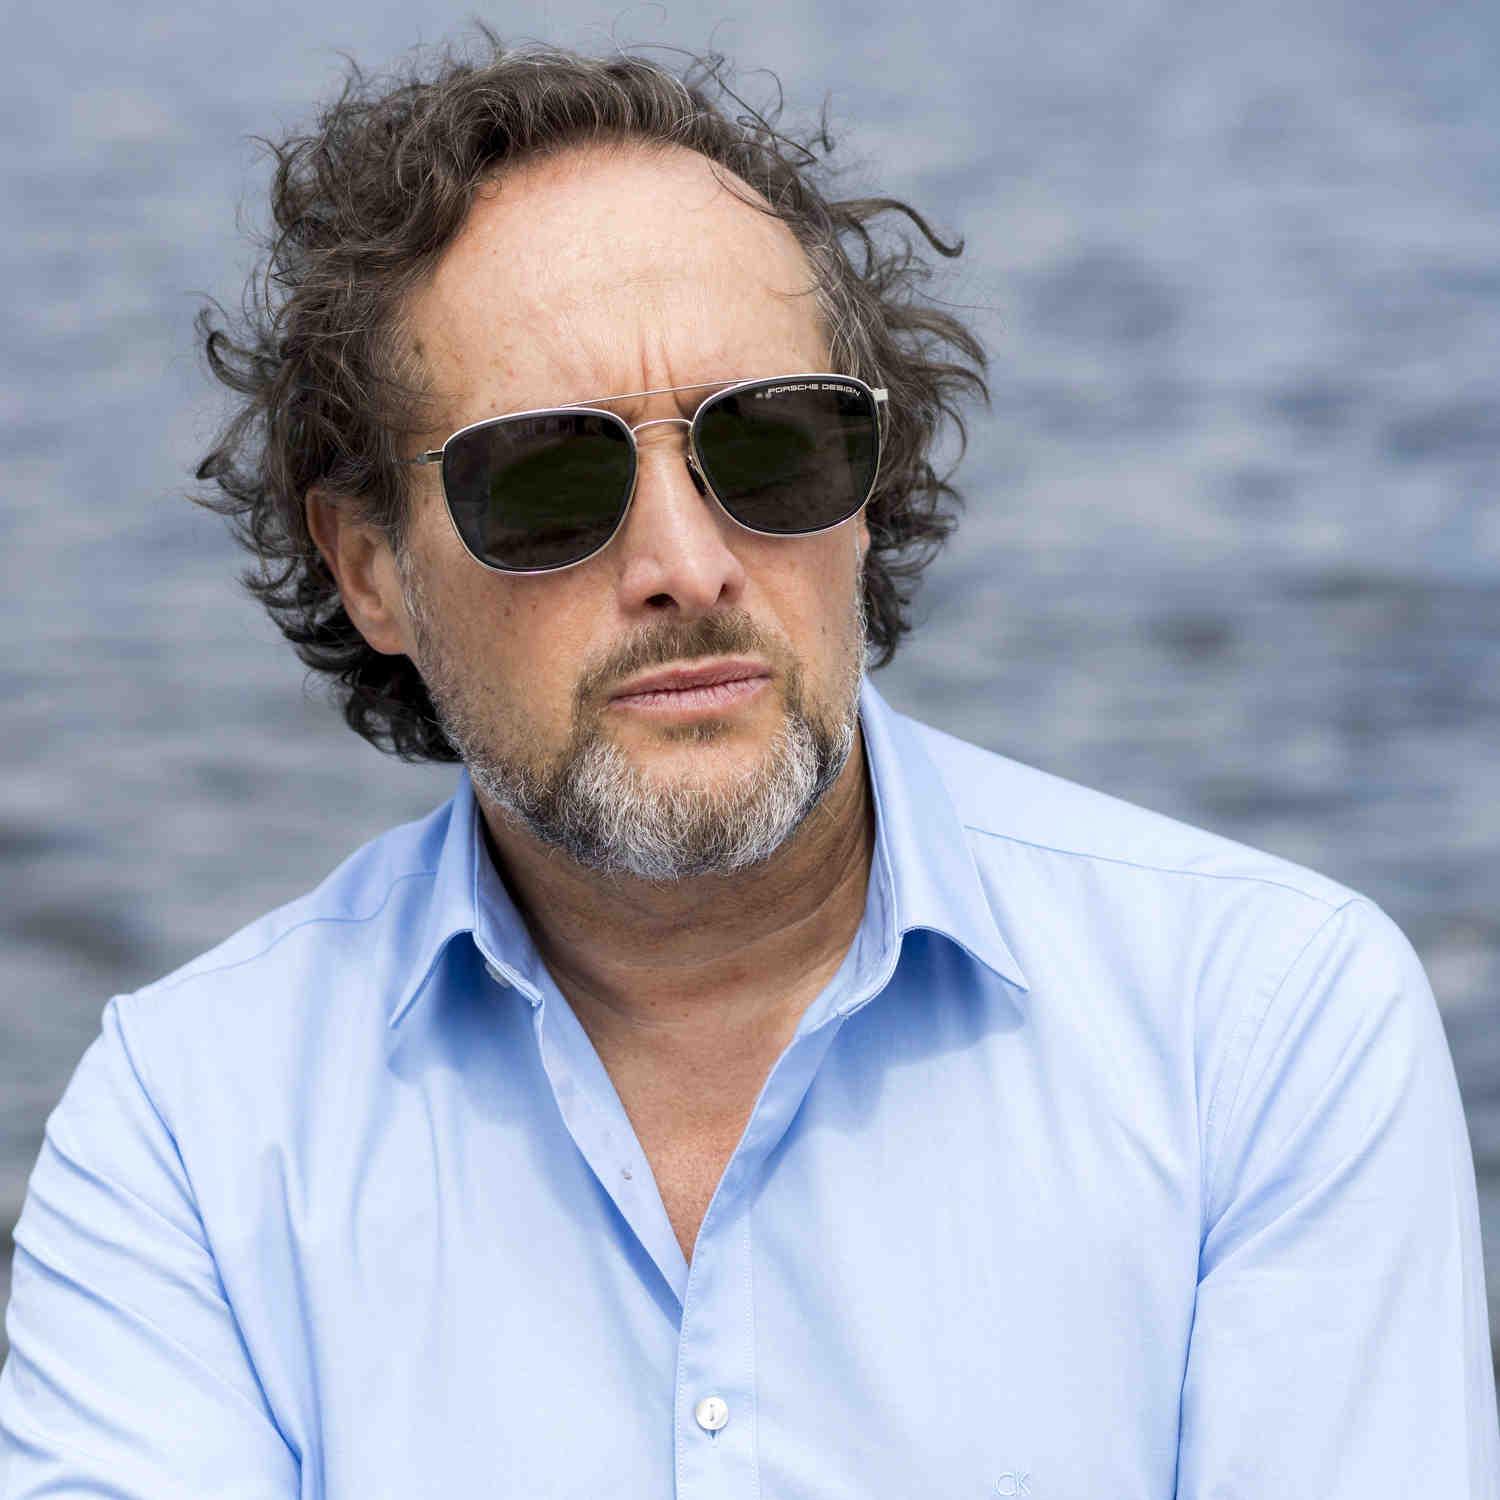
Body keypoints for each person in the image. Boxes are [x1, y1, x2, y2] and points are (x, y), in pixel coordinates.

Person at [1, 34, 1495, 1499]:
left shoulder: (1264, 1031)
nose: (686, 563)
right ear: (370, 567)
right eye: (549, 477)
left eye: (773, 447)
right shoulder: (190, 1132)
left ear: (868, 493)